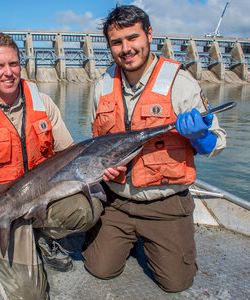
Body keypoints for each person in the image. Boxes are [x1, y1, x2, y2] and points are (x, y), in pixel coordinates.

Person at [0, 33, 102, 300]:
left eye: (14, 64)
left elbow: (68, 153)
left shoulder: (43, 104)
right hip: (0, 211)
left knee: (90, 207)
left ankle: (43, 237)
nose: (9, 73)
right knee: (32, 296)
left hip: (40, 198)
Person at [82, 5, 227, 293]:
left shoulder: (181, 83)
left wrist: (199, 137)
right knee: (100, 269)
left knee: (176, 284)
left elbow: (217, 143)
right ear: (109, 45)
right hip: (117, 201)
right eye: (116, 42)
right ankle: (125, 238)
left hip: (166, 204)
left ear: (149, 35)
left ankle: (156, 240)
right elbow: (94, 141)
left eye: (133, 38)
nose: (126, 48)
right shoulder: (102, 85)